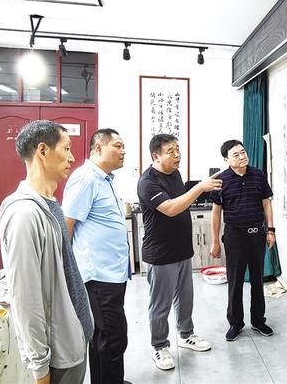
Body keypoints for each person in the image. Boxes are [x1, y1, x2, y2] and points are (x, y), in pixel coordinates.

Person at [0, 120, 93, 384]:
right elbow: (26, 299)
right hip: (58, 357)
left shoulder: (50, 204)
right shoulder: (24, 215)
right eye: (66, 148)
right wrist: (40, 367)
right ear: (43, 150)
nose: (72, 157)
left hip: (73, 340)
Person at [137, 134, 222, 370]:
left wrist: (199, 189)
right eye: (170, 151)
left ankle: (186, 335)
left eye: (178, 150)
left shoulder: (175, 173)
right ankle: (159, 346)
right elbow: (171, 208)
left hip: (182, 250)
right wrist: (200, 187)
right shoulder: (147, 181)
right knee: (160, 304)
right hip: (160, 254)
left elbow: (182, 200)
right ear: (155, 156)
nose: (177, 155)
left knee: (185, 299)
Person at [62, 128, 131, 384]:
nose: (123, 151)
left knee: (109, 336)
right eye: (118, 146)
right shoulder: (86, 178)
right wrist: (68, 274)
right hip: (98, 276)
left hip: (112, 274)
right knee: (110, 337)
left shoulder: (105, 180)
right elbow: (67, 226)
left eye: (124, 146)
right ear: (99, 148)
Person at [209, 139, 276, 341]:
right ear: (226, 159)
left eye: (243, 152)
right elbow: (216, 212)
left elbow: (266, 203)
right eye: (236, 155)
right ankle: (235, 323)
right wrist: (215, 241)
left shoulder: (258, 175)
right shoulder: (220, 180)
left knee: (257, 280)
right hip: (234, 236)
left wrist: (270, 230)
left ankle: (258, 321)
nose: (242, 156)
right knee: (235, 281)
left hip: (256, 234)